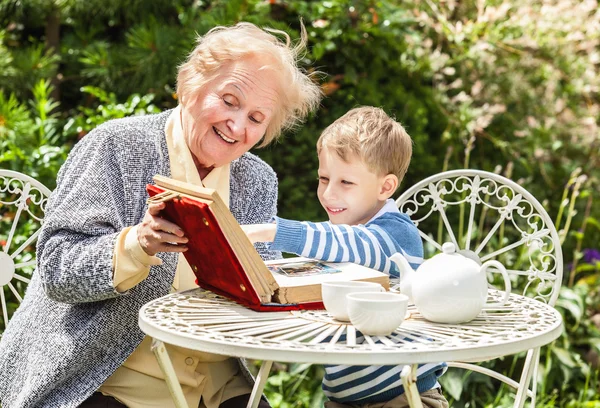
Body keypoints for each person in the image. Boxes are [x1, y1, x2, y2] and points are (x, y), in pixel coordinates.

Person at [0, 22, 321, 408]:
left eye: (256, 118)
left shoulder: (256, 179)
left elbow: (263, 292)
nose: (237, 126)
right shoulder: (116, 146)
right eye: (229, 100)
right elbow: (58, 269)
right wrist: (137, 245)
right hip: (103, 377)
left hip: (214, 386)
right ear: (190, 85)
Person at [243, 107, 449, 408]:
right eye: (324, 178)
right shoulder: (337, 235)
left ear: (385, 187)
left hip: (405, 395)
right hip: (342, 399)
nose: (328, 194)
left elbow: (351, 244)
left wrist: (271, 231)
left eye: (345, 183)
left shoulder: (396, 235)